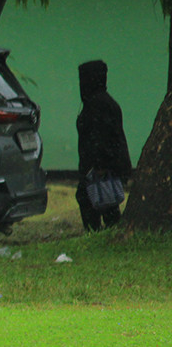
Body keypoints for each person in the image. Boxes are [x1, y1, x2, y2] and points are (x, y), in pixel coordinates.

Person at [75, 60, 132, 231]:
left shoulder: (98, 105)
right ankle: (106, 233)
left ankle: (96, 234)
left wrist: (100, 165)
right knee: (104, 201)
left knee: (94, 200)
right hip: (104, 165)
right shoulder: (104, 102)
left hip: (100, 166)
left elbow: (102, 138)